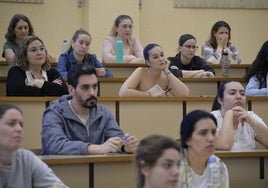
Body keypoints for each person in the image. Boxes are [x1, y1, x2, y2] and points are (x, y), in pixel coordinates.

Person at [41, 63, 138, 155]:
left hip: (98, 171)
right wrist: (95, 148)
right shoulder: (54, 112)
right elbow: (55, 146)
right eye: (85, 87)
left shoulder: (104, 112)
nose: (92, 92)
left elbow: (117, 138)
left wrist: (125, 146)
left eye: (95, 86)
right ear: (71, 90)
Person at [0, 103, 67, 188]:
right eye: (11, 124)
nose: (19, 129)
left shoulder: (27, 158)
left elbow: (58, 185)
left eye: (21, 125)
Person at [211, 81, 268, 150]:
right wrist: (229, 114)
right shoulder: (211, 118)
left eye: (242, 94)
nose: (239, 97)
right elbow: (225, 145)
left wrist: (252, 122)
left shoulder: (251, 116)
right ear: (220, 100)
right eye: (232, 93)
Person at [178, 110, 229, 188]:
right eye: (203, 133)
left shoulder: (219, 166)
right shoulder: (174, 166)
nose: (211, 138)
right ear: (187, 139)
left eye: (213, 132)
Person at [119, 43, 189, 97]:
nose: (161, 59)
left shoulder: (166, 75)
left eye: (162, 55)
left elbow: (184, 94)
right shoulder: (141, 71)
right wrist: (150, 95)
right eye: (155, 57)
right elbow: (123, 92)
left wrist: (167, 71)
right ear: (147, 62)